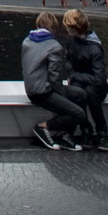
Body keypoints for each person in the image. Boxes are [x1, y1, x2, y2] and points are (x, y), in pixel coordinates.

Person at [22, 10, 90, 151]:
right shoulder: (54, 47)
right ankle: (44, 127)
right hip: (43, 92)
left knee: (80, 94)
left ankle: (64, 135)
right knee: (78, 113)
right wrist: (64, 100)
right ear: (53, 28)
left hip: (31, 89)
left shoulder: (27, 41)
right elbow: (54, 78)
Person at [62, 5, 108, 151]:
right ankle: (86, 129)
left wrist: (76, 75)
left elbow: (99, 79)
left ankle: (102, 132)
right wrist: (72, 73)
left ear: (74, 28)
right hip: (80, 81)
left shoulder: (94, 48)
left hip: (96, 86)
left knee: (90, 93)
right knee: (77, 92)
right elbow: (67, 59)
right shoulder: (71, 40)